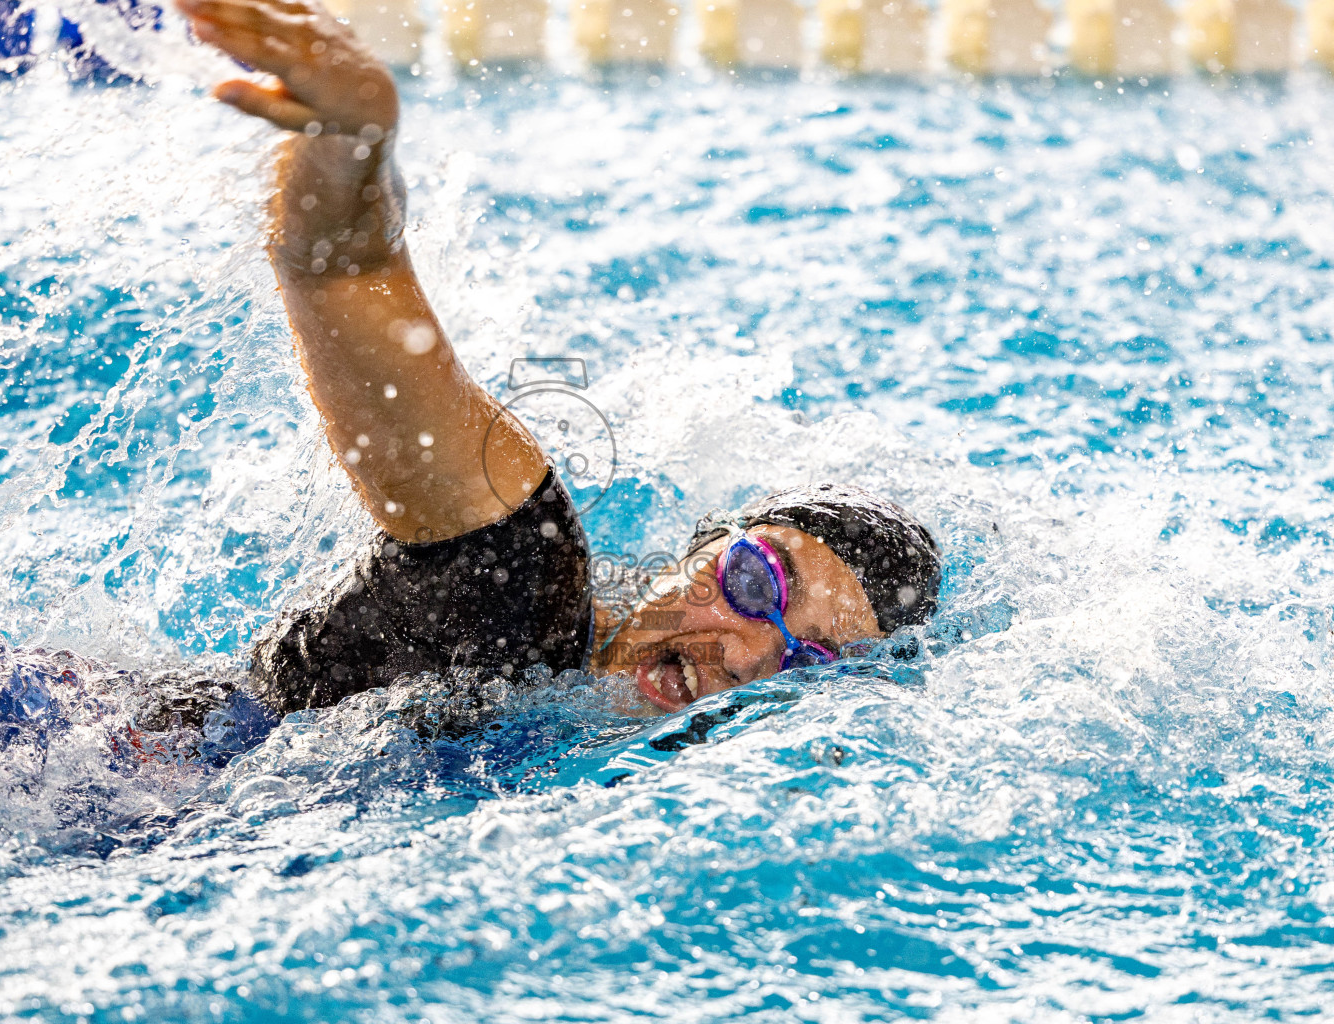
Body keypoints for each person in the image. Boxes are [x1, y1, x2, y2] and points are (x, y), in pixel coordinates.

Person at [172, 0, 943, 719]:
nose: (747, 654)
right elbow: (342, 271)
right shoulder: (514, 581)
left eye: (807, 662)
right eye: (755, 580)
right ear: (705, 543)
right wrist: (352, 143)